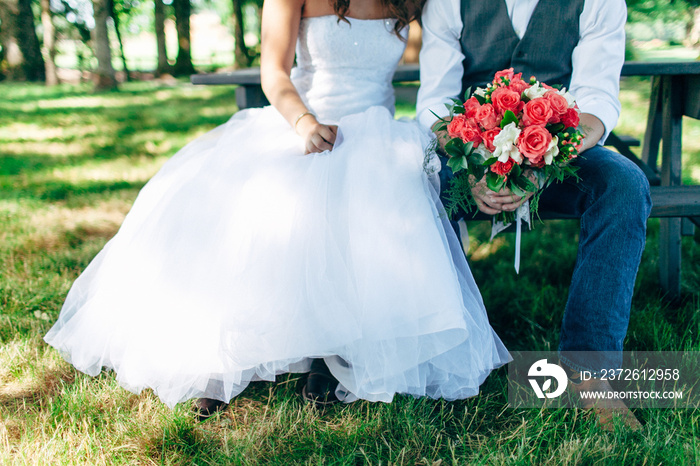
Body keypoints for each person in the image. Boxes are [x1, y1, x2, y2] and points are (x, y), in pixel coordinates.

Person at [44, 0, 510, 419]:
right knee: (264, 206)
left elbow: (444, 60)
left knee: (379, 197)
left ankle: (335, 352)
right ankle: (222, 360)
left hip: (377, 133)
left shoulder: (410, 0)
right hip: (304, 122)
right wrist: (304, 123)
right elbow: (275, 72)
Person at [416, 0, 652, 429]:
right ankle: (438, 356)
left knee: (623, 185)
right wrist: (472, 170)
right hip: (470, 156)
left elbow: (597, 98)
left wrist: (544, 160)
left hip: (562, 153)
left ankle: (591, 375)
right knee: (416, 186)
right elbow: (436, 102)